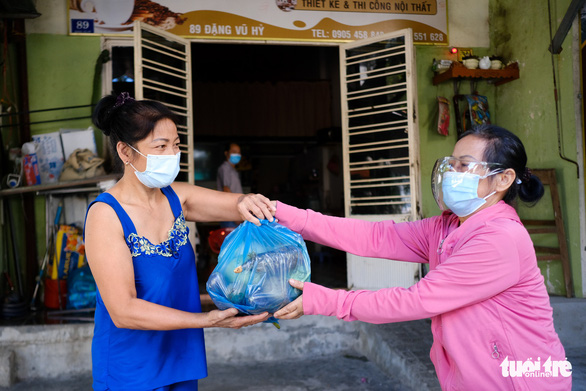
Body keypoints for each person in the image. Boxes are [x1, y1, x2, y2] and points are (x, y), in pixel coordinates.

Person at [274, 125, 571, 390]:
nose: (452, 173)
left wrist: (324, 300)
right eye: (451, 164)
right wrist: (282, 215)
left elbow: (416, 300)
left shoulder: (500, 239)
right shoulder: (447, 226)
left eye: (464, 166)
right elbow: (374, 237)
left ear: (503, 179)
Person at [84, 92, 275, 391]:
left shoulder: (177, 198)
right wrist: (208, 320)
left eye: (175, 145)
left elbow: (241, 204)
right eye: (160, 146)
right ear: (125, 152)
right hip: (131, 367)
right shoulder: (105, 215)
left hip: (180, 357)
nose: (172, 154)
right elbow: (123, 311)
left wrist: (255, 203)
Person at [216, 142, 243, 228]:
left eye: (239, 152)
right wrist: (236, 213)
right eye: (234, 152)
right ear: (226, 153)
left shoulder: (233, 170)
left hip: (235, 212)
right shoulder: (225, 168)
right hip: (230, 213)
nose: (237, 155)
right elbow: (226, 190)